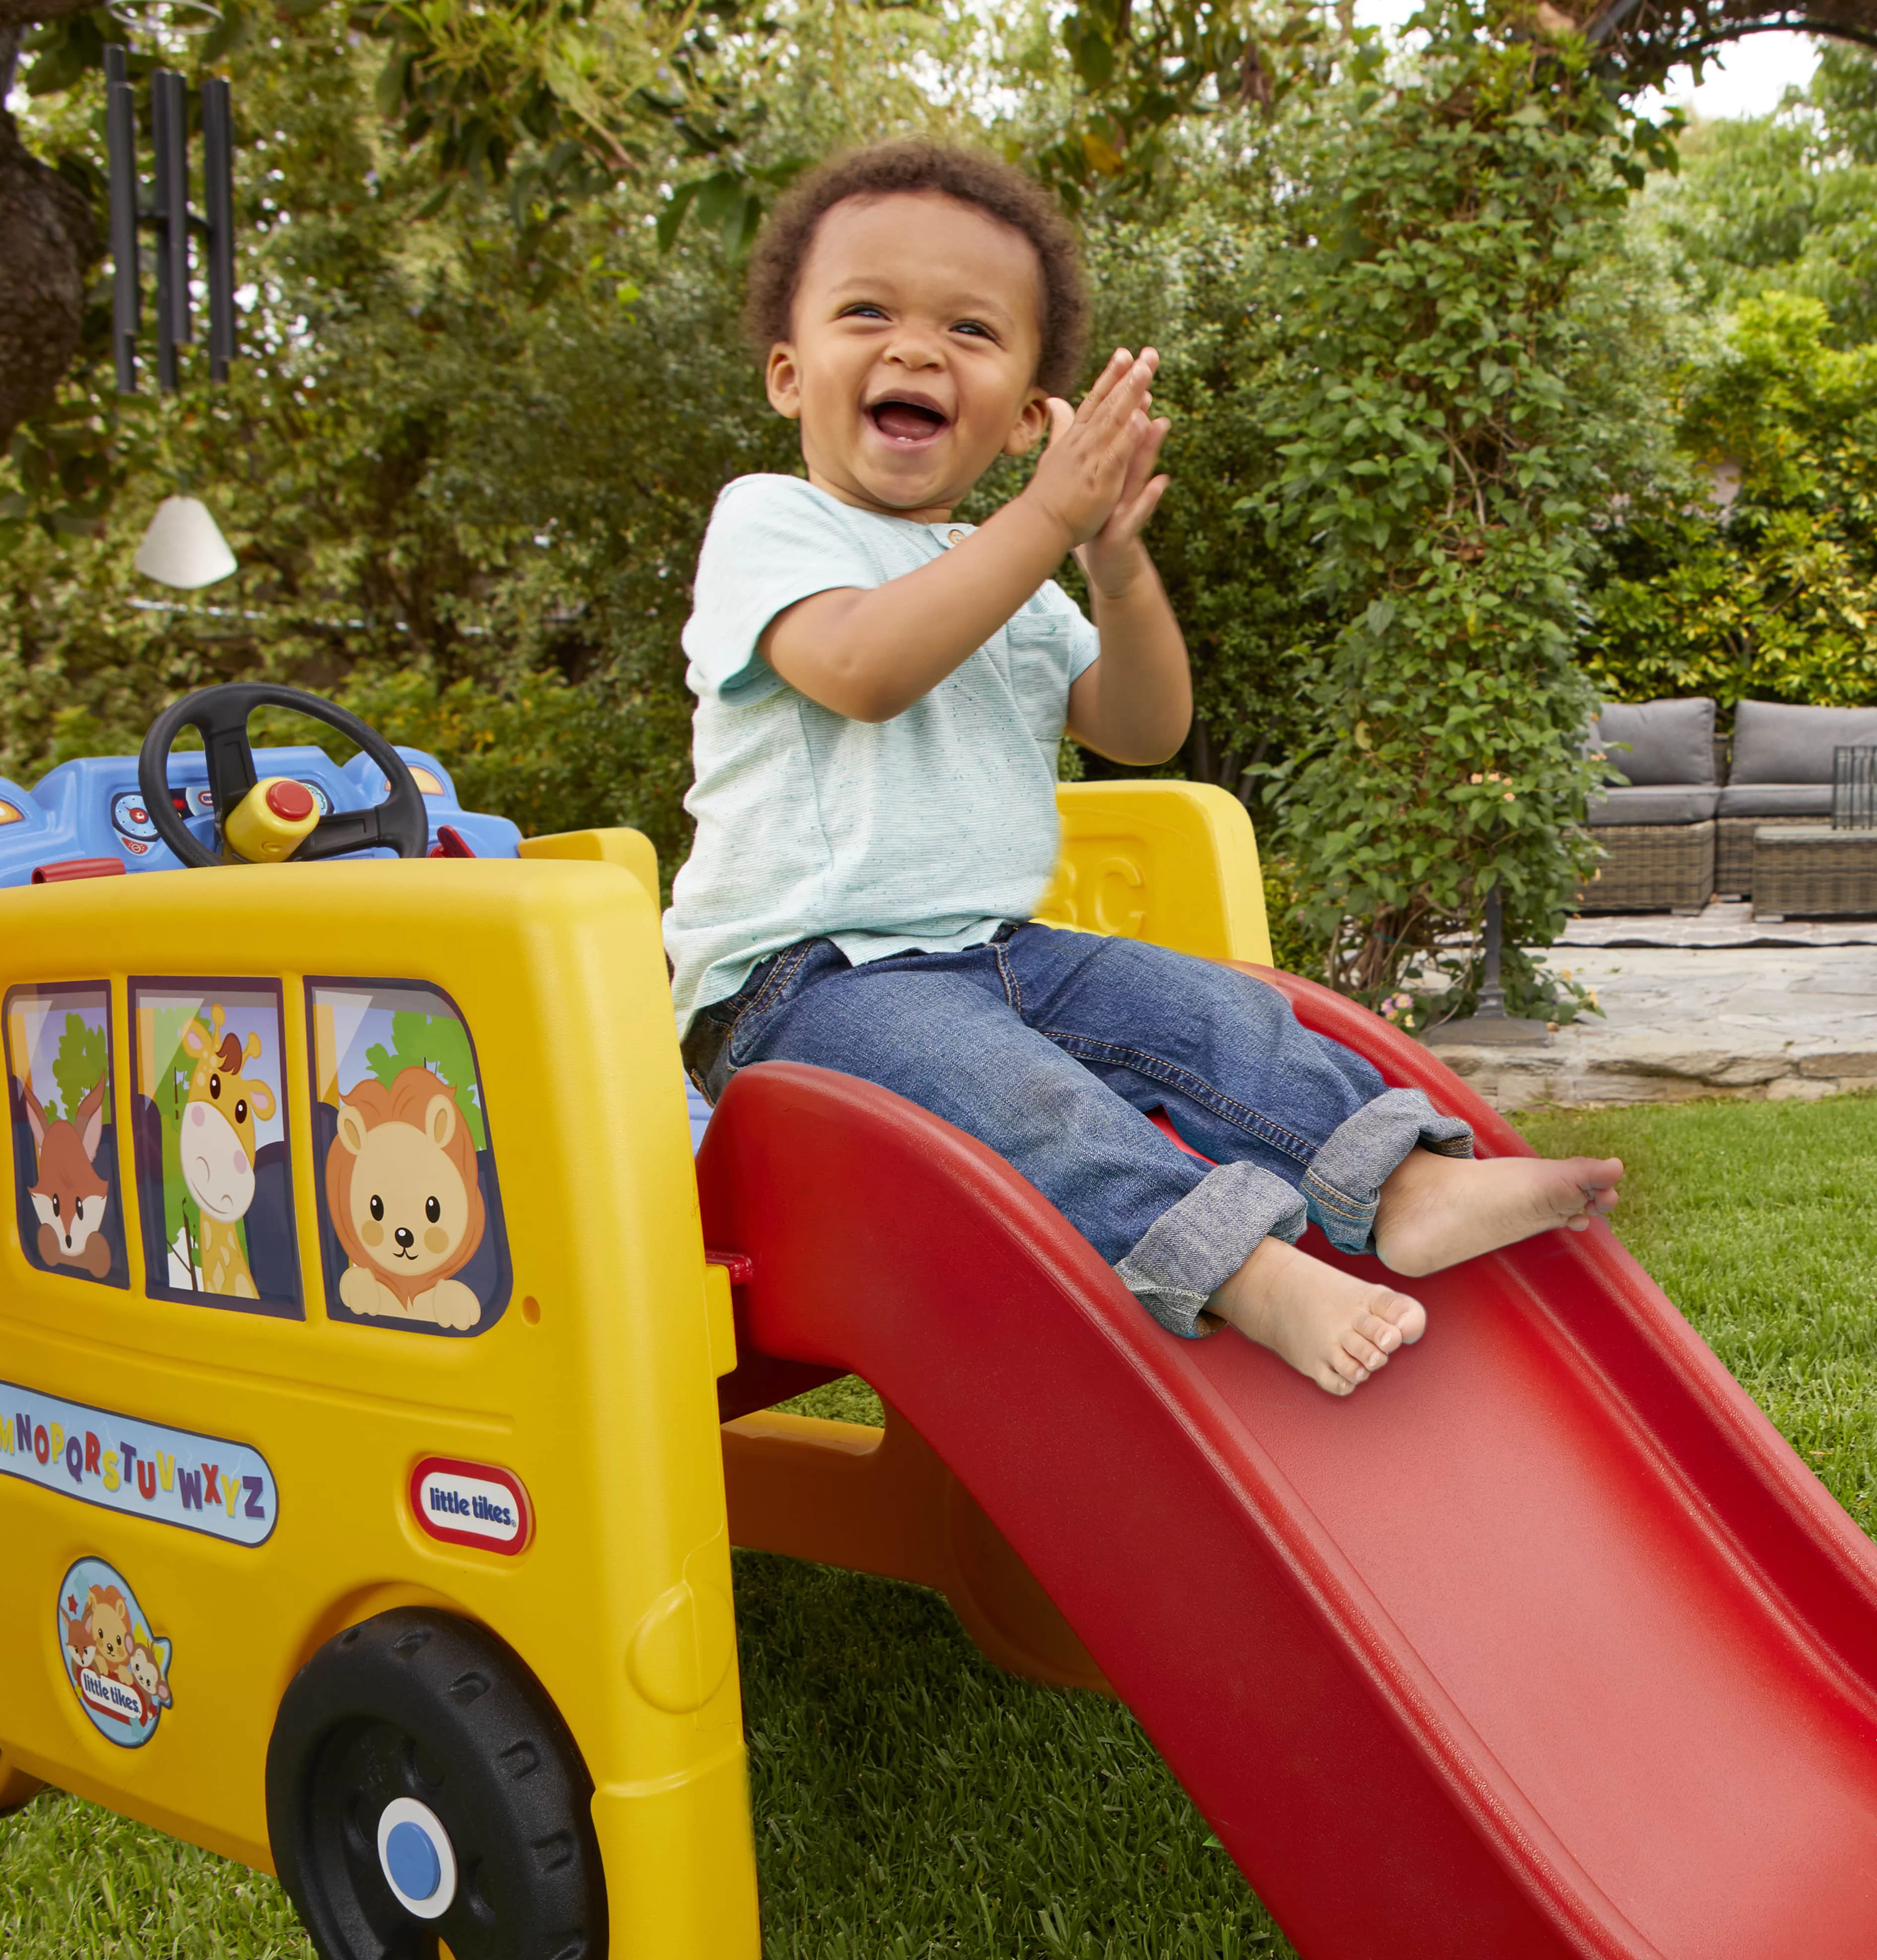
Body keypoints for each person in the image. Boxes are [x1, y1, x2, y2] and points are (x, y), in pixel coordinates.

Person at [666, 141, 1621, 1396]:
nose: (912, 350)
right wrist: (1045, 523)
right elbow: (862, 667)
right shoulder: (770, 522)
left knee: (1212, 1010)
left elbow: (1140, 723)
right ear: (790, 375)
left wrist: (1111, 567)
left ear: (1021, 420)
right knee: (1018, 1094)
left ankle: (1402, 1183)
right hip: (802, 989)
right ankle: (1239, 1265)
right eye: (866, 313)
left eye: (968, 327)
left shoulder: (1005, 567)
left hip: (994, 951)